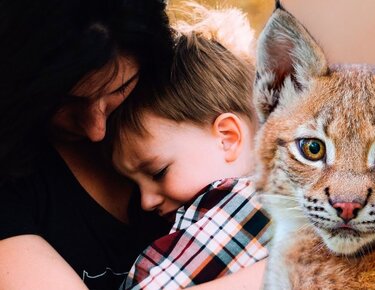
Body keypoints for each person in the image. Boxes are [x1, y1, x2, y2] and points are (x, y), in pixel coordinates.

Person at [0, 0, 175, 288]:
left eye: (120, 88)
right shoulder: (12, 183)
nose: (96, 130)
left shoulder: (188, 113)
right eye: (65, 102)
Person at [108, 4, 271, 289]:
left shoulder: (243, 203)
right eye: (135, 185)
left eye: (158, 172)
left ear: (227, 138)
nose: (146, 202)